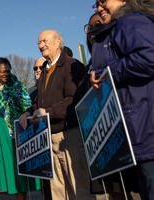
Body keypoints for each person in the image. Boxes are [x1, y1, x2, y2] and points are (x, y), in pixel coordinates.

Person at [19, 30, 95, 200]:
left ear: (57, 41)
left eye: (44, 41)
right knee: (58, 190)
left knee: (78, 186)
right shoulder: (45, 71)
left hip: (70, 135)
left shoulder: (71, 65)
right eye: (39, 42)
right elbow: (40, 103)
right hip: (49, 137)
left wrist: (48, 112)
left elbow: (75, 99)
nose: (41, 45)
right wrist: (28, 113)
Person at [91, 0, 154, 199]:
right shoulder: (119, 26)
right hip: (134, 125)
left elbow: (148, 57)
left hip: (145, 124)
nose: (100, 8)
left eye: (104, 1)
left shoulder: (131, 21)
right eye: (96, 4)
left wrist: (107, 72)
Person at [0, 57, 41, 200]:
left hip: (16, 132)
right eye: (2, 72)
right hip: (1, 134)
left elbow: (27, 105)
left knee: (20, 168)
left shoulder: (17, 86)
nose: (6, 74)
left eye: (8, 71)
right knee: (10, 168)